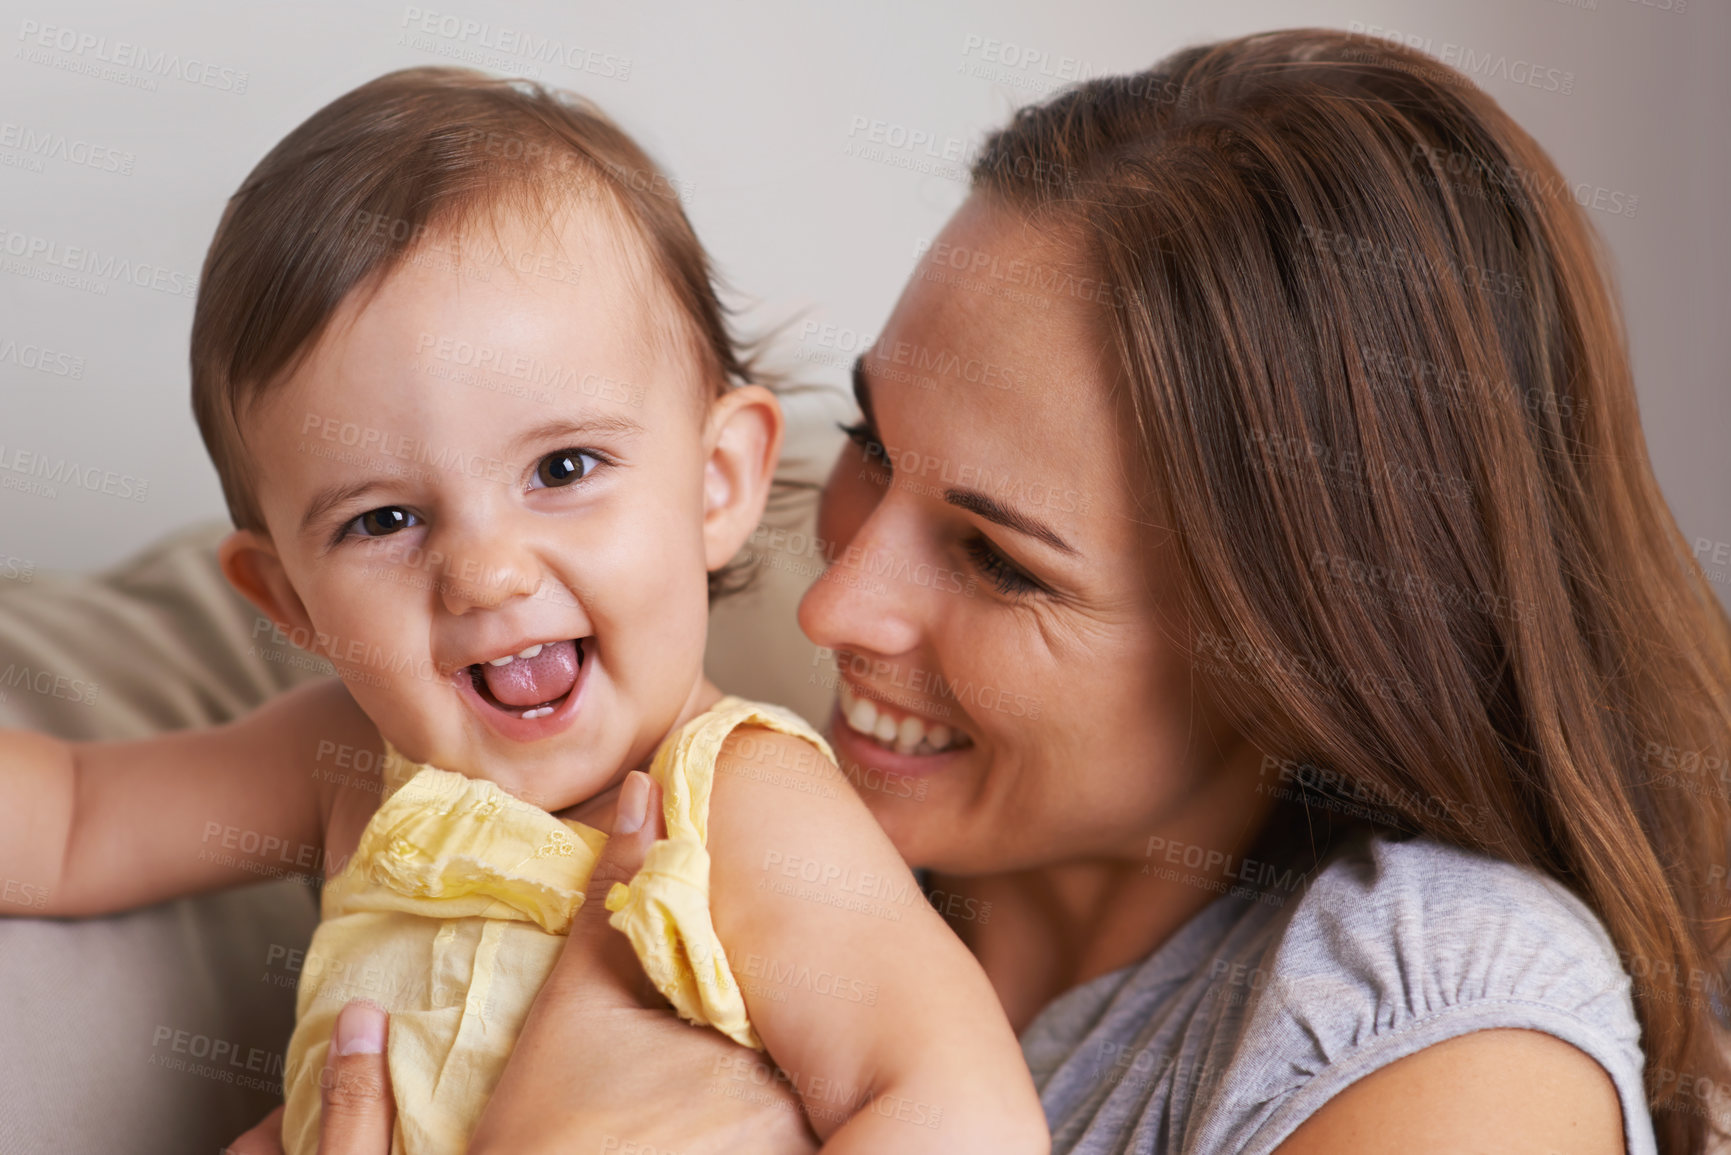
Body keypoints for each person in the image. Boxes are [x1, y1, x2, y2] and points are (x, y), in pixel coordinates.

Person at [238, 26, 1731, 1155]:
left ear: (1288, 645)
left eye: (1000, 555)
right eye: (871, 446)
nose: (829, 608)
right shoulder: (686, 820)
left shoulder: (1437, 1011)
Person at [0, 66, 1049, 1155]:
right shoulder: (348, 760)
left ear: (716, 486)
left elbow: (956, 1109)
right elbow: (75, 817)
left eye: (563, 466)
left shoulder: (741, 802)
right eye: (384, 520)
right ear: (288, 602)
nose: (485, 573)